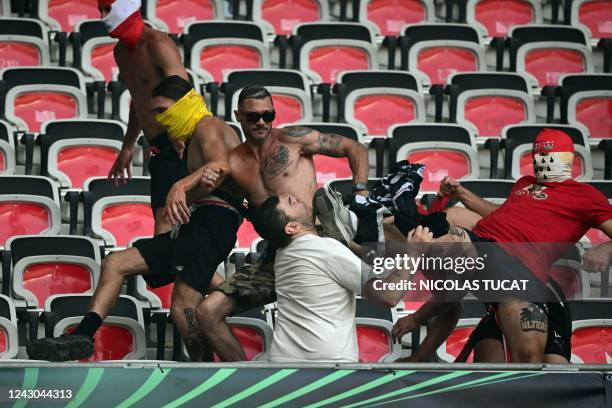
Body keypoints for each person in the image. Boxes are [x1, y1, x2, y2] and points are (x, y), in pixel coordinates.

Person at [26, 77, 242, 362]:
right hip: (197, 224)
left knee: (184, 310)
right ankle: (83, 335)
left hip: (214, 222)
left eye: (164, 110)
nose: (159, 119)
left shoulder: (209, 125)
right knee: (116, 263)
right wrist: (187, 195)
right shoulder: (190, 140)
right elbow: (212, 178)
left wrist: (179, 186)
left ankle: (231, 374)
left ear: (184, 104)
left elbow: (222, 166)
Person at [194, 85, 371, 362]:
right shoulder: (232, 163)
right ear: (238, 116)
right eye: (253, 117)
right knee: (208, 312)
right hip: (277, 255)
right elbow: (213, 204)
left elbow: (355, 148)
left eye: (268, 114)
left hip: (317, 247)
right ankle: (248, 385)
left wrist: (361, 194)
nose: (262, 122)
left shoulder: (293, 139)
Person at [407, 128, 612, 363]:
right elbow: (500, 215)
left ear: (571, 160)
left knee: (546, 369)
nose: (543, 164)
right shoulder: (525, 183)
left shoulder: (586, 196)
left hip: (530, 275)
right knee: (488, 370)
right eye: (538, 158)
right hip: (493, 257)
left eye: (551, 158)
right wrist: (462, 193)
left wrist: (606, 248)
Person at [254, 194, 431, 362]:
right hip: (326, 366)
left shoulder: (283, 254)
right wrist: (414, 253)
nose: (299, 198)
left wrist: (349, 244)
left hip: (283, 362)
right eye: (292, 202)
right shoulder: (324, 249)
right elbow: (388, 296)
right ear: (291, 227)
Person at [99, 0, 190, 234]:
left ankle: (157, 270)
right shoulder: (121, 52)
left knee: (165, 218)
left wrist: (178, 135)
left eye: (106, 9)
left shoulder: (158, 44)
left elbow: (183, 92)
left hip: (177, 143)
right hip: (158, 146)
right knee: (164, 218)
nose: (102, 17)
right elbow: (139, 99)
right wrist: (128, 146)